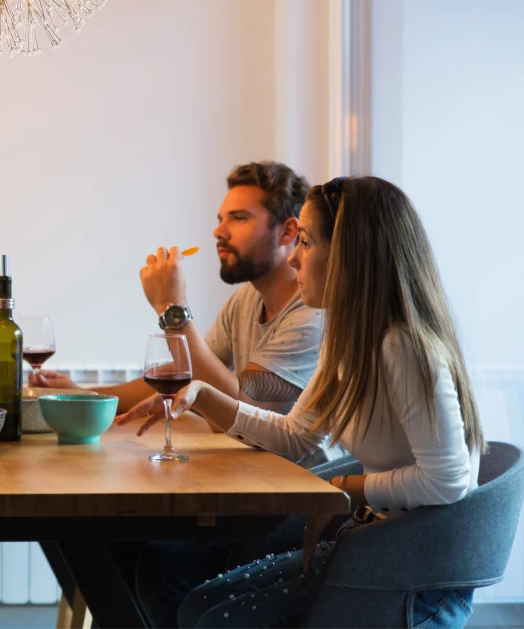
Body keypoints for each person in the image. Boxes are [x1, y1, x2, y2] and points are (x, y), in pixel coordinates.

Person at [121, 176, 483, 627]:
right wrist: (205, 397)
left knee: (212, 616)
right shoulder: (346, 337)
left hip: (415, 574)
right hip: (374, 543)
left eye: (307, 243)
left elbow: (447, 481)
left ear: (351, 256)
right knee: (196, 605)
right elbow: (295, 435)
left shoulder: (403, 346)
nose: (294, 258)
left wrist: (343, 489)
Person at [34, 161, 325, 423]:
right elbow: (187, 372)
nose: (219, 232)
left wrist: (172, 306)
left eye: (238, 218)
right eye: (220, 219)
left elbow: (245, 411)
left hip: (294, 467)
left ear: (288, 232)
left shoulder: (312, 313)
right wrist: (86, 396)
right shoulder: (245, 300)